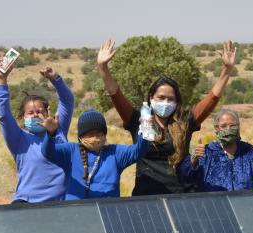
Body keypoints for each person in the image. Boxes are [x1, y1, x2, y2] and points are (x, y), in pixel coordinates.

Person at [97, 39, 236, 196]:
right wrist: (103, 68)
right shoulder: (139, 120)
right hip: (146, 198)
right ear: (151, 97)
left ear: (177, 102)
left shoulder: (185, 121)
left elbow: (212, 98)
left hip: (182, 196)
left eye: (171, 99)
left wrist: (227, 69)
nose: (166, 102)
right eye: (161, 97)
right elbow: (115, 94)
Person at [0, 64, 74, 203]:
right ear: (23, 117)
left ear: (47, 112)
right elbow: (4, 116)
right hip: (27, 205)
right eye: (30, 113)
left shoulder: (58, 129)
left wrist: (55, 79)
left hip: (61, 206)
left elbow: (67, 101)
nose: (36, 115)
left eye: (40, 111)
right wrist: (2, 81)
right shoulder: (18, 139)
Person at [41, 109, 148, 199]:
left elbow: (138, 151)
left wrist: (145, 130)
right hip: (75, 213)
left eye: (99, 133)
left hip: (107, 212)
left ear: (105, 135)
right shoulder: (71, 150)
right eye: (90, 134)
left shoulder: (115, 153)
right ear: (81, 137)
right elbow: (48, 153)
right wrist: (50, 134)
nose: (95, 138)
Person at [179, 109, 253, 191]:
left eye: (233, 125)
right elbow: (185, 177)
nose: (228, 129)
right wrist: (193, 159)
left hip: (245, 206)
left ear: (238, 127)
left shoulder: (250, 153)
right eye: (224, 126)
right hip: (214, 208)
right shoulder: (206, 153)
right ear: (217, 128)